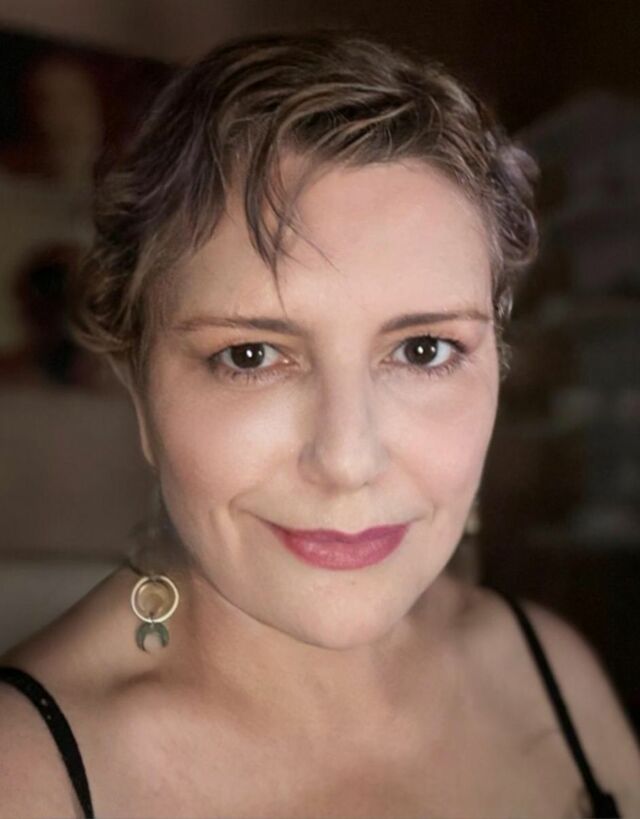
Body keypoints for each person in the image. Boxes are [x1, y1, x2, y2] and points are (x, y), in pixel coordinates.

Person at [0, 30, 638, 819]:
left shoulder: (553, 674)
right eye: (251, 354)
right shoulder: (26, 777)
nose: (347, 458)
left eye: (424, 348)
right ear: (139, 389)